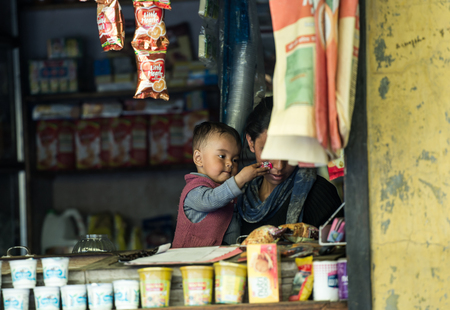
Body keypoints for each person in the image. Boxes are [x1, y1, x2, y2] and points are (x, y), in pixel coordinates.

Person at [237, 97, 343, 237]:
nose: (279, 166)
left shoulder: (319, 193)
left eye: (288, 151)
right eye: (270, 151)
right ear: (251, 142)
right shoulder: (238, 196)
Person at [172, 121, 269, 248]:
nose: (230, 163)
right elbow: (212, 200)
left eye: (235, 159)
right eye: (222, 156)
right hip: (188, 261)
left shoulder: (226, 191)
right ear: (198, 158)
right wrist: (240, 179)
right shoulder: (193, 190)